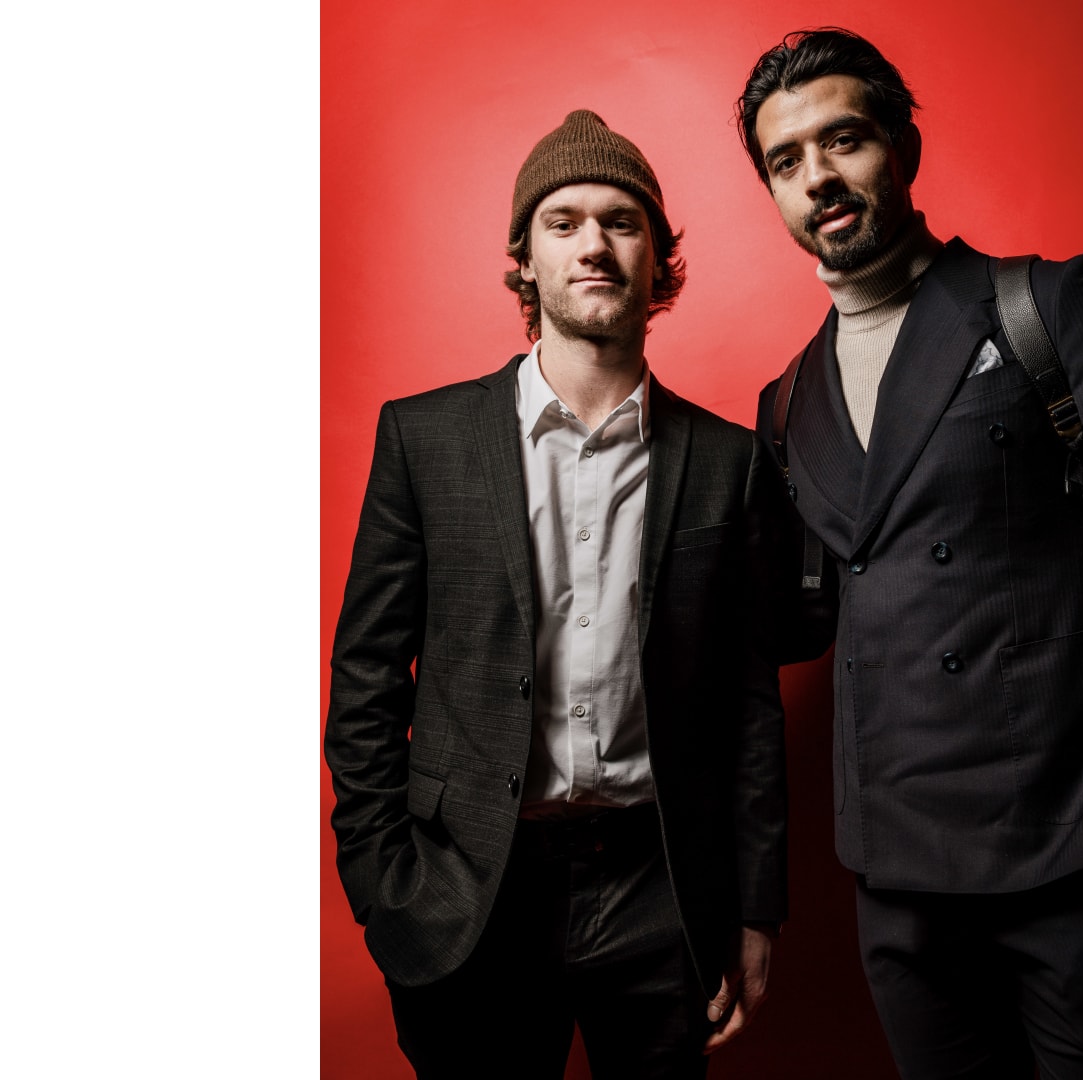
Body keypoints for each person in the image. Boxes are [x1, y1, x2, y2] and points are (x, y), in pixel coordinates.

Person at [737, 29, 1083, 1079]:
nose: (818, 177)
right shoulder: (787, 403)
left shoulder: (1049, 307)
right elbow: (800, 619)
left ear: (902, 146)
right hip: (898, 886)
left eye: (843, 140)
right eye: (786, 161)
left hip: (1075, 854)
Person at [324, 109, 788, 1079]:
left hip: (661, 889)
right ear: (525, 260)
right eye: (563, 221)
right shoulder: (425, 439)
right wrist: (383, 882)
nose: (594, 245)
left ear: (658, 259)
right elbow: (366, 675)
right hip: (469, 889)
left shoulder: (729, 462)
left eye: (622, 221)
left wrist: (755, 909)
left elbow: (748, 705)